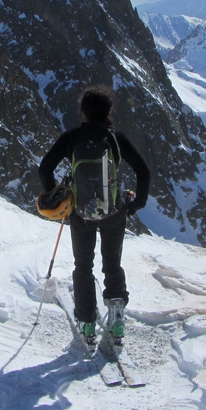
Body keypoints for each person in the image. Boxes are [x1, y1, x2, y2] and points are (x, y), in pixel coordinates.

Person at [37, 87, 151, 346]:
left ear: (83, 112)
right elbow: (143, 172)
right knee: (112, 264)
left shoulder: (72, 137)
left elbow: (45, 168)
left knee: (83, 266)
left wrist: (58, 197)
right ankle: (117, 318)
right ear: (108, 113)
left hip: (79, 212)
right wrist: (135, 205)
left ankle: (87, 323)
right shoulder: (116, 138)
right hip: (113, 212)